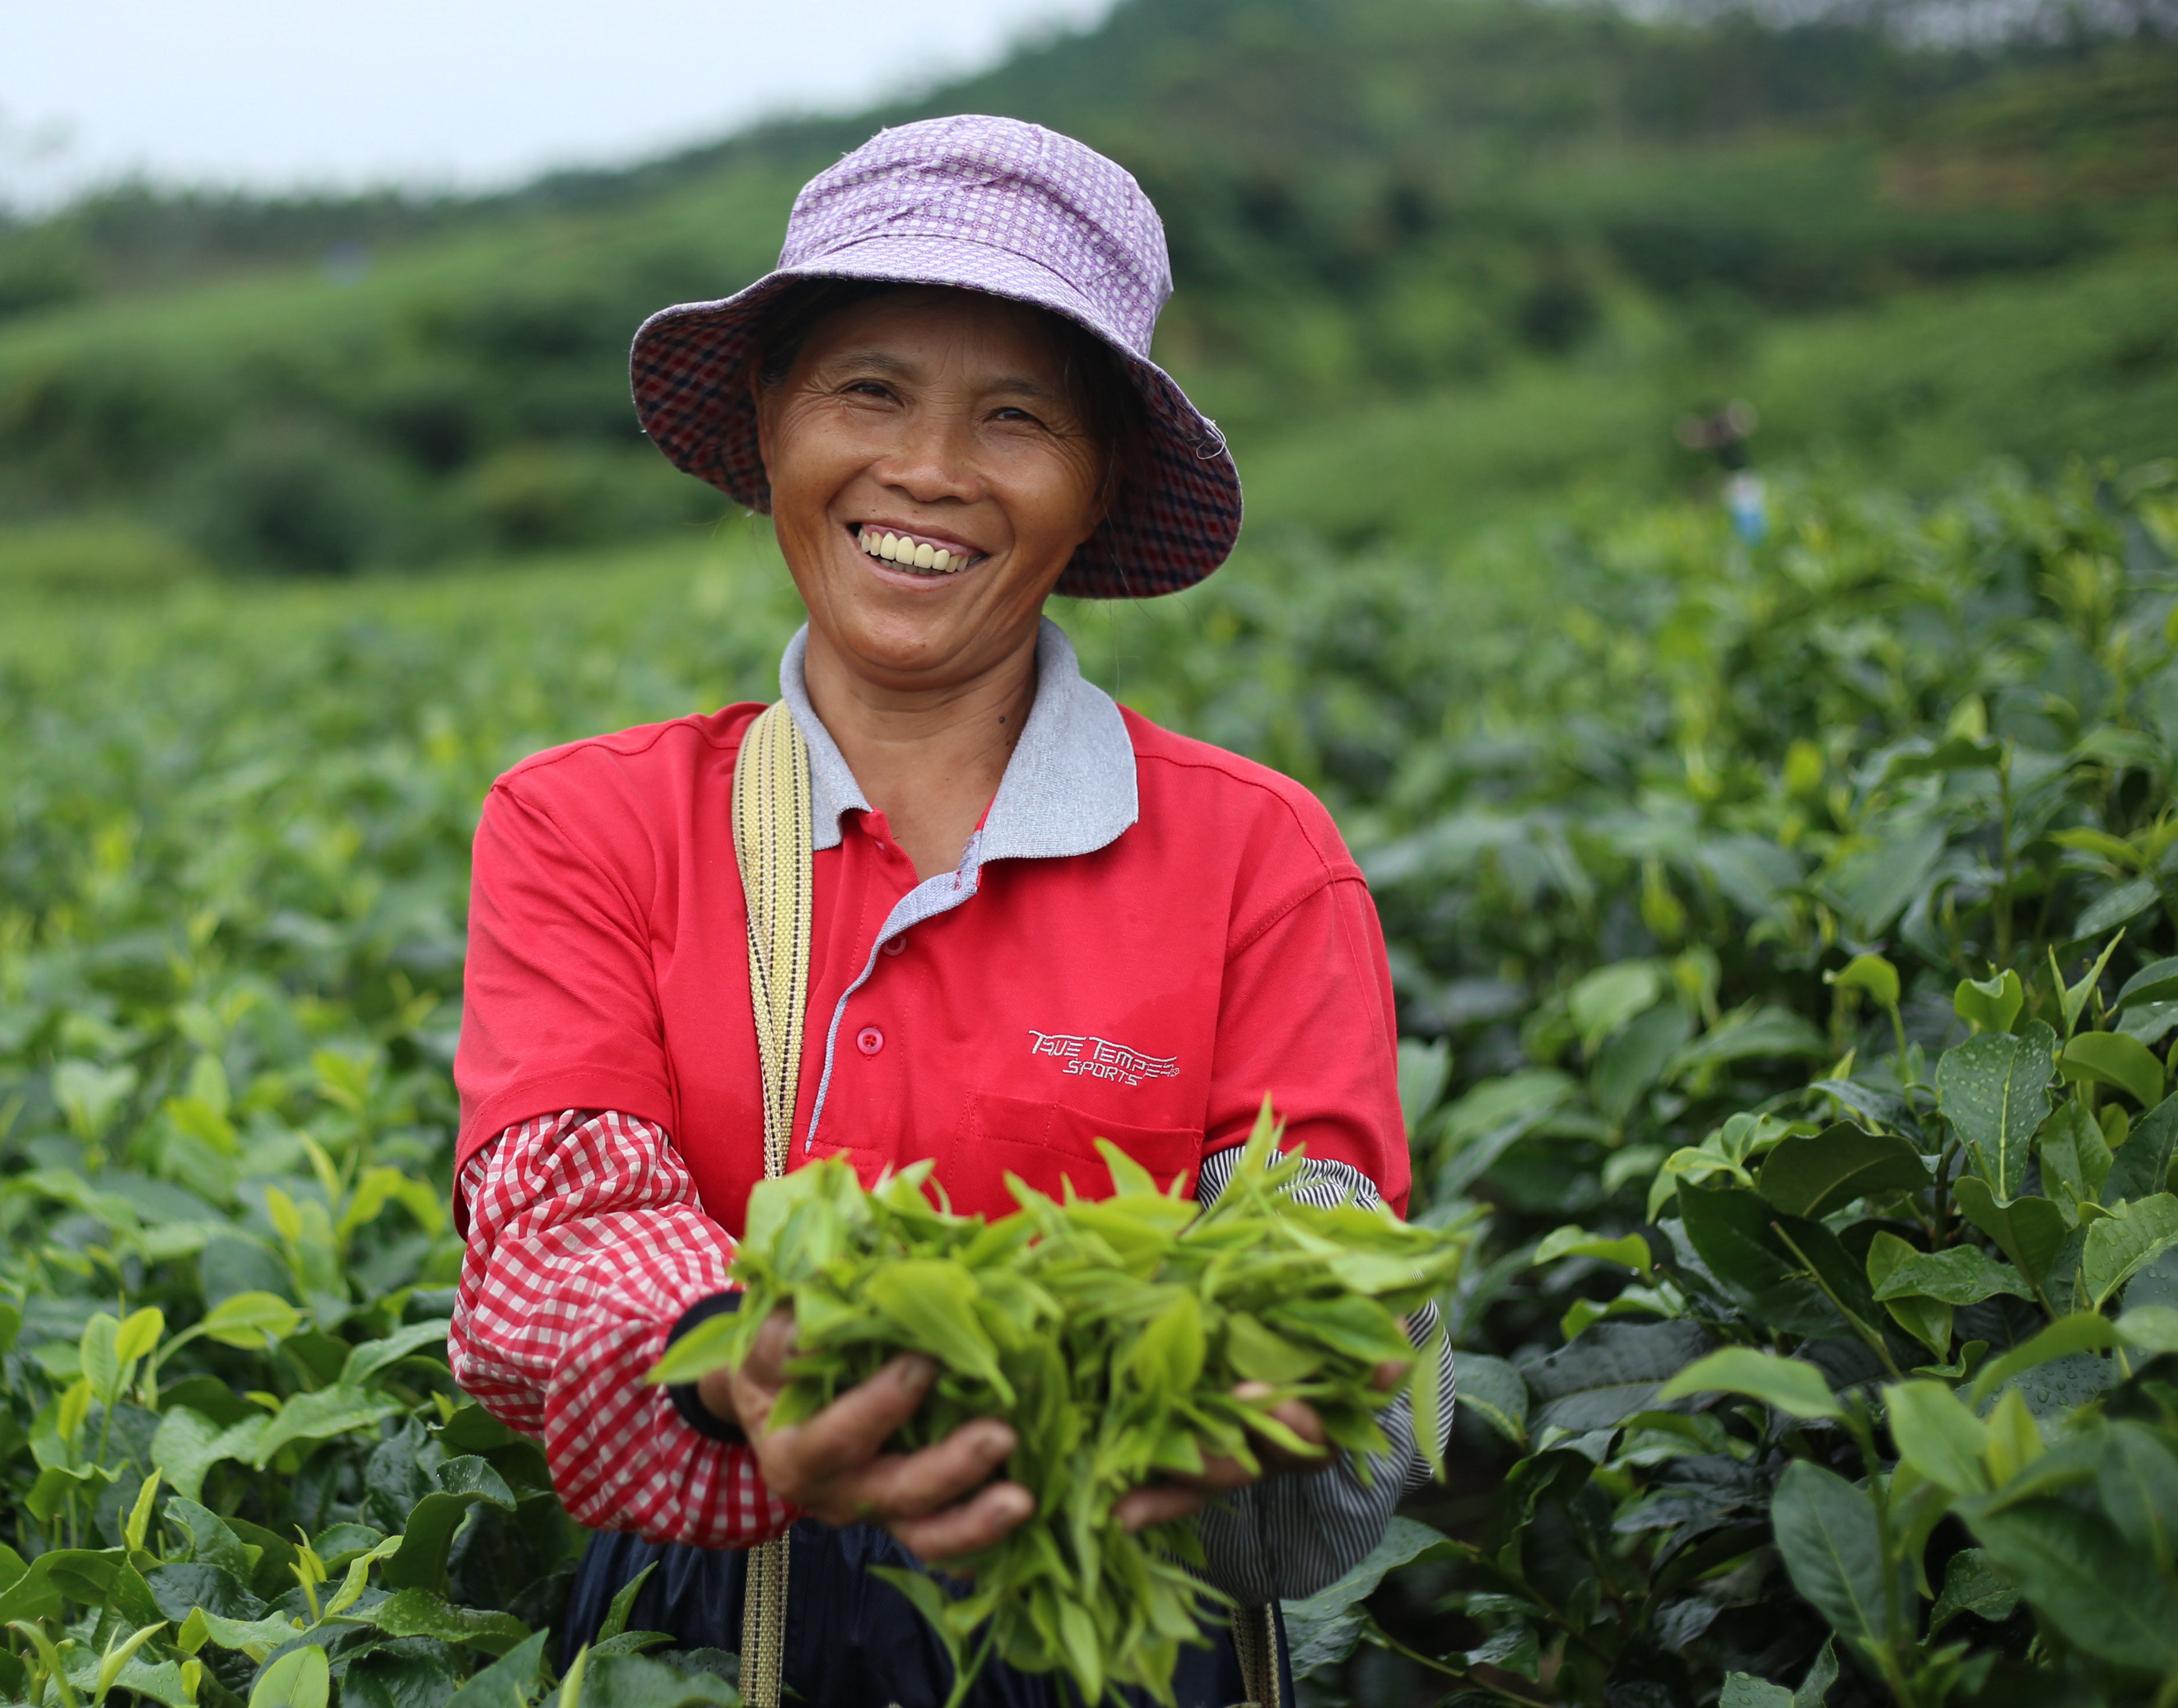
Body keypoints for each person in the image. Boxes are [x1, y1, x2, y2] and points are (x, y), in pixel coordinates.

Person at [447, 114, 1452, 1708]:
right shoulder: (595, 824)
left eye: (1017, 416)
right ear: (773, 419)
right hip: (711, 1631)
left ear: (1095, 483)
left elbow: (1320, 1285)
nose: (928, 468)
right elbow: (557, 1238)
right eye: (868, 389)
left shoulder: (1257, 856)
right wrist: (737, 1358)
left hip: (1111, 1620)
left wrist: (1270, 1385)